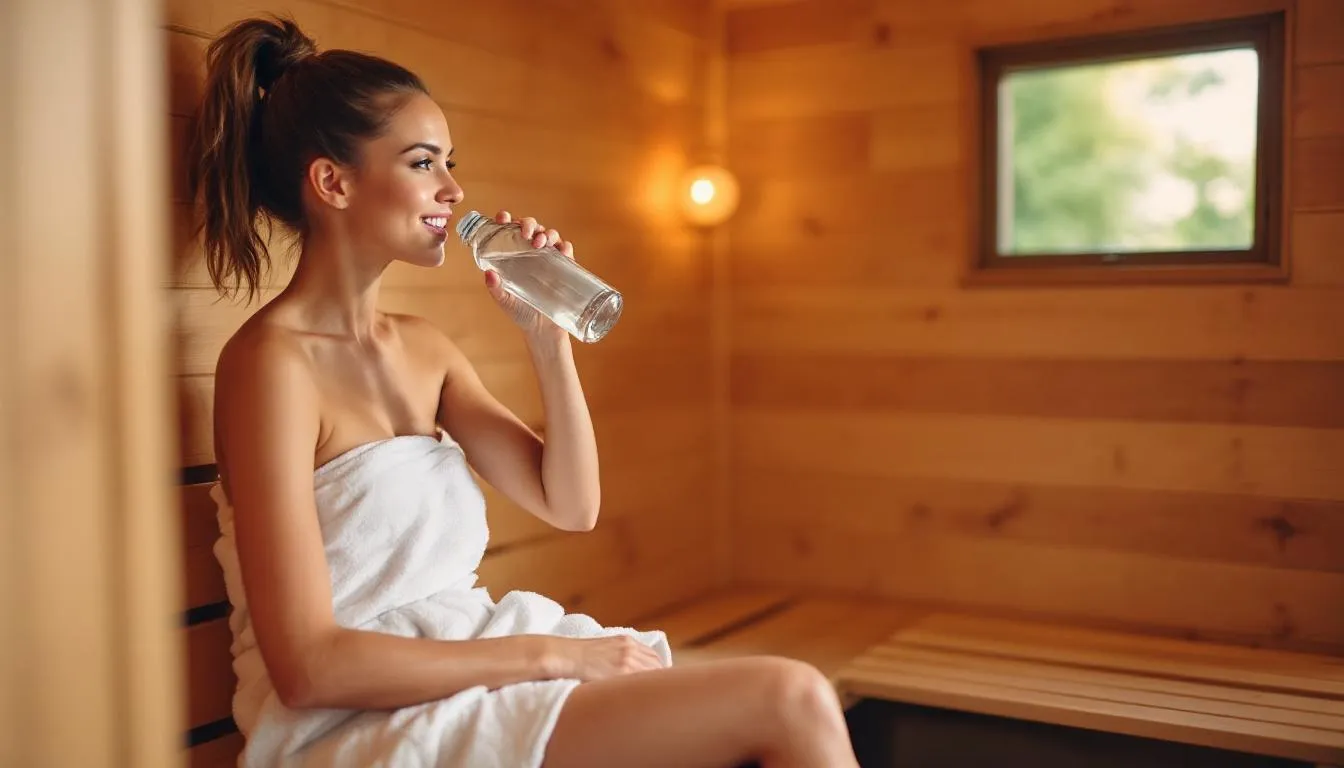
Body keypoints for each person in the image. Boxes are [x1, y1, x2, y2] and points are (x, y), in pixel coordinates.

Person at [188, 14, 860, 768]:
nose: (453, 188)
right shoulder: (270, 366)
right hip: (360, 723)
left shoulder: (425, 349)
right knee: (789, 699)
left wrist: (548, 341)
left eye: (449, 162)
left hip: (472, 674)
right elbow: (309, 668)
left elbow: (571, 505)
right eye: (422, 163)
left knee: (784, 706)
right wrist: (550, 658)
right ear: (332, 181)